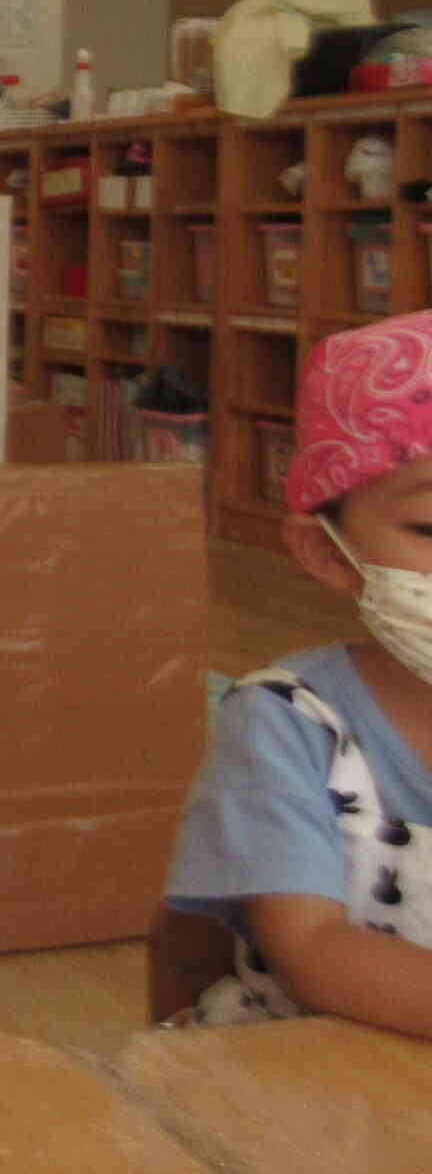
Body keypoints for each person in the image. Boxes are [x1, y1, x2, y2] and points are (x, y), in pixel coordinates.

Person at [164, 309, 432, 1034]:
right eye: (431, 529)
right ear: (324, 551)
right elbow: (315, 951)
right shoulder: (290, 721)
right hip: (296, 1096)